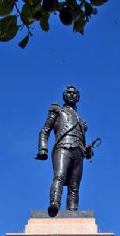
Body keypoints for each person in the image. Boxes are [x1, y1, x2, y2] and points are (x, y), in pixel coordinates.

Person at [36, 85, 93, 216]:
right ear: (64, 95)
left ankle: (72, 210)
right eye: (69, 92)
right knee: (59, 176)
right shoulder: (57, 111)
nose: (72, 95)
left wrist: (88, 151)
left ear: (78, 97)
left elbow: (85, 147)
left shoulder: (82, 121)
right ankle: (54, 203)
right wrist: (43, 148)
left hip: (79, 151)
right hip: (62, 146)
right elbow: (44, 131)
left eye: (75, 93)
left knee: (75, 185)